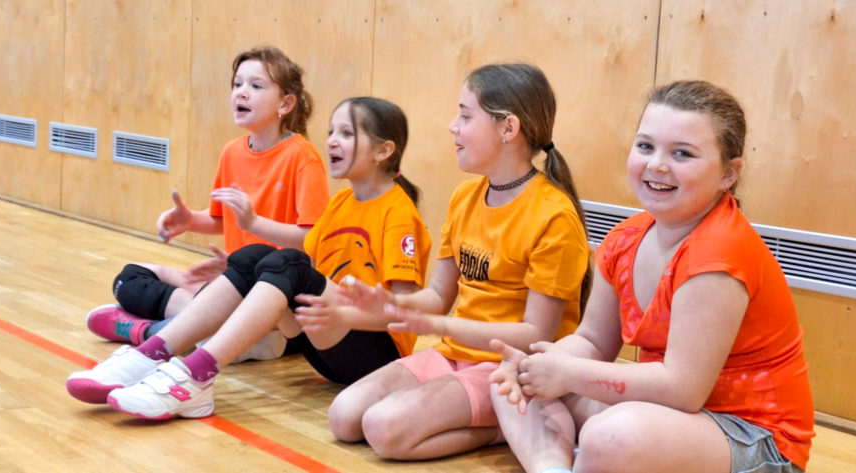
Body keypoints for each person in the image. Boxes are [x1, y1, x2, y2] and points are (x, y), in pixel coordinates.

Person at [489, 80, 815, 473]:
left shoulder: (720, 251)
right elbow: (593, 341)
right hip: (669, 414)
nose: (657, 164)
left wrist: (568, 373)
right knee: (509, 381)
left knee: (611, 436)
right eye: (646, 146)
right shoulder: (624, 239)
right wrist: (538, 365)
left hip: (753, 437)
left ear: (728, 174)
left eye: (682, 153)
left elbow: (683, 389)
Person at [65, 97, 431, 417]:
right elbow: (307, 252)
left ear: (384, 150)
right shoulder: (342, 202)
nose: (333, 140)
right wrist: (245, 250)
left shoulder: (398, 214)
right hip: (327, 348)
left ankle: (195, 375)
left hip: (375, 356)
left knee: (288, 263)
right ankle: (151, 354)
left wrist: (346, 311)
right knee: (256, 255)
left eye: (347, 133)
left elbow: (405, 312)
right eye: (331, 131)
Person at [300, 63, 591, 460]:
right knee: (344, 417)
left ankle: (507, 425)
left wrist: (439, 325)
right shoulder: (465, 196)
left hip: (509, 368)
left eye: (466, 116)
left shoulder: (554, 215)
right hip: (454, 353)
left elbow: (535, 334)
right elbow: (438, 295)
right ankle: (496, 423)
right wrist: (388, 303)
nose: (453, 126)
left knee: (383, 428)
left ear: (508, 128)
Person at [84, 45, 329, 361]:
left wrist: (255, 224)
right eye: (237, 84)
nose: (241, 92)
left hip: (274, 294)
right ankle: (211, 330)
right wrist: (190, 221)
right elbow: (224, 219)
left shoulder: (303, 157)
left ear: (286, 103)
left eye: (256, 86)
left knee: (231, 313)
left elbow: (312, 240)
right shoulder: (232, 152)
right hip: (232, 281)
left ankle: (156, 331)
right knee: (129, 277)